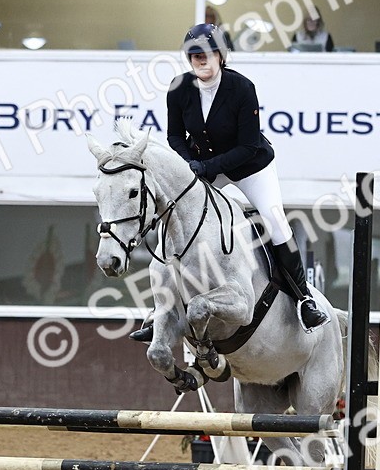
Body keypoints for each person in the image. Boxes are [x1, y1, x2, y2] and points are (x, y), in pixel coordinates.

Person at [129, 23, 328, 342]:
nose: (200, 60)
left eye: (207, 54)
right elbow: (174, 135)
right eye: (194, 55)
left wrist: (204, 166)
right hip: (205, 165)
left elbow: (248, 145)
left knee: (276, 222)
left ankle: (303, 299)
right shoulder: (179, 88)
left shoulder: (242, 88)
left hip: (251, 165)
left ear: (221, 56)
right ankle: (161, 309)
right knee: (176, 220)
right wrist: (187, 163)